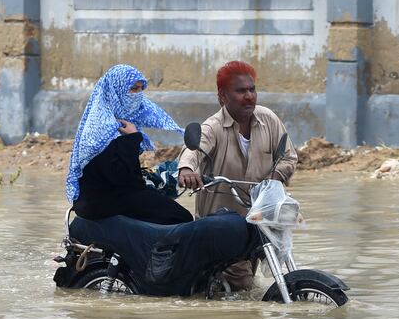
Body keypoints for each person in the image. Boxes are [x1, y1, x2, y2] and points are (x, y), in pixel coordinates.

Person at [177, 60, 298, 289]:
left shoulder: (269, 120)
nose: (249, 96)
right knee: (244, 287)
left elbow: (288, 157)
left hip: (262, 219)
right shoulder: (212, 127)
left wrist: (274, 178)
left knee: (273, 270)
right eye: (240, 91)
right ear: (223, 96)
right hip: (224, 227)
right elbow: (192, 151)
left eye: (252, 89)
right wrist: (186, 170)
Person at [65, 64, 193, 225]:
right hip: (102, 202)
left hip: (106, 197)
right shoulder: (104, 128)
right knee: (181, 216)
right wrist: (133, 138)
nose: (138, 95)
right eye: (133, 89)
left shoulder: (109, 120)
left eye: (141, 89)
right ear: (115, 91)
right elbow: (124, 179)